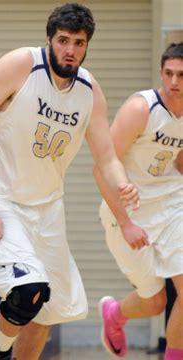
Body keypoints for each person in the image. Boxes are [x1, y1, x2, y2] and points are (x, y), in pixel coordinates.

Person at [0, 3, 148, 360]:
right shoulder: (20, 65)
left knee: (47, 311)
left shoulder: (89, 91)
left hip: (47, 209)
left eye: (78, 42)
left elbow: (106, 158)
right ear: (50, 39)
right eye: (63, 40)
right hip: (0, 200)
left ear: (87, 46)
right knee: (28, 292)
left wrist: (123, 184)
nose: (70, 50)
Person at [96, 42, 183, 359]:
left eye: (182, 75)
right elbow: (102, 165)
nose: (174, 82)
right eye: (168, 74)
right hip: (128, 209)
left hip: (172, 204)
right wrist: (126, 222)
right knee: (155, 301)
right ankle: (114, 314)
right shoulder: (140, 109)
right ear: (161, 72)